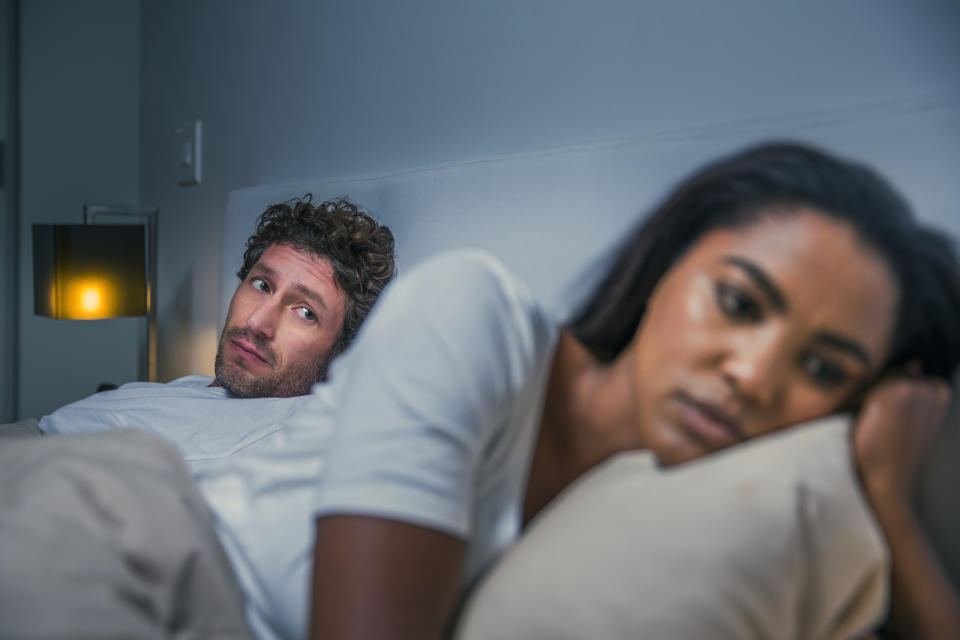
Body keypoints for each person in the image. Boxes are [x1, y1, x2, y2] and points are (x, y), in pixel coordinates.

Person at [305, 142, 960, 639]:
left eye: (822, 371)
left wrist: (892, 508)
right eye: (735, 301)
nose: (754, 376)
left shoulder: (705, 517)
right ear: (666, 264)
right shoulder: (469, 312)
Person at [37, 195, 396, 460]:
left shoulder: (283, 442)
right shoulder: (202, 388)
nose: (257, 323)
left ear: (343, 351)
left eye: (305, 312)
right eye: (262, 285)